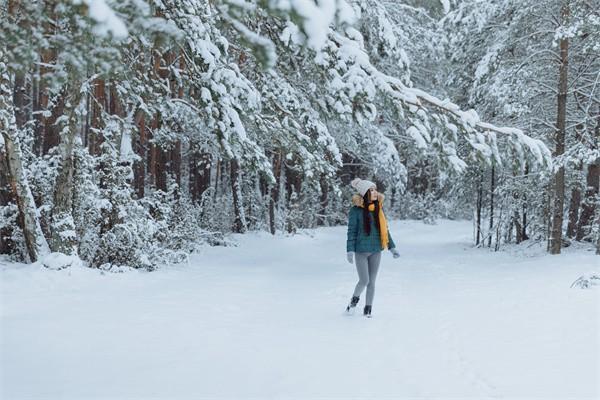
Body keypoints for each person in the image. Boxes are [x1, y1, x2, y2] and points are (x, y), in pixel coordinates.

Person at [345, 178, 400, 317]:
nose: (375, 192)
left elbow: (385, 231)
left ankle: (368, 310)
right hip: (361, 251)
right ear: (364, 193)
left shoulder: (378, 209)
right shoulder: (356, 211)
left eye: (375, 189)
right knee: (364, 280)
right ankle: (352, 303)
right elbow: (351, 231)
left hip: (376, 250)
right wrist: (350, 250)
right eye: (371, 190)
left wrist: (392, 247)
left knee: (372, 282)